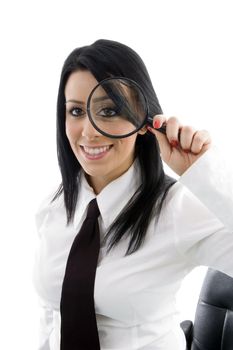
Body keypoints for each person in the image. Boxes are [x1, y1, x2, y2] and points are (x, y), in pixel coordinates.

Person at [32, 39, 233, 350]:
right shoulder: (54, 207)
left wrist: (205, 174)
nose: (88, 131)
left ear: (143, 122)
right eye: (74, 111)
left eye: (109, 110)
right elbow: (52, 316)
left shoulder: (176, 209)